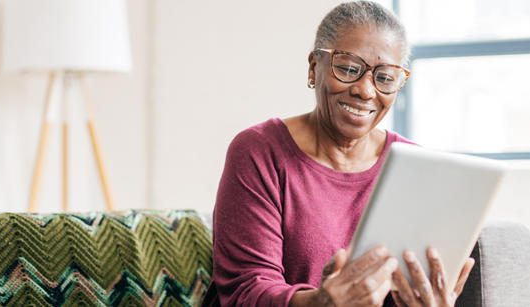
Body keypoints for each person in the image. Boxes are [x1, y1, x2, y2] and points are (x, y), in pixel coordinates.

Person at [202, 1, 474, 306]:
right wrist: (319, 302)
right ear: (313, 67)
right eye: (347, 68)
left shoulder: (414, 167)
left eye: (384, 77)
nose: (366, 91)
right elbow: (245, 292)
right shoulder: (259, 151)